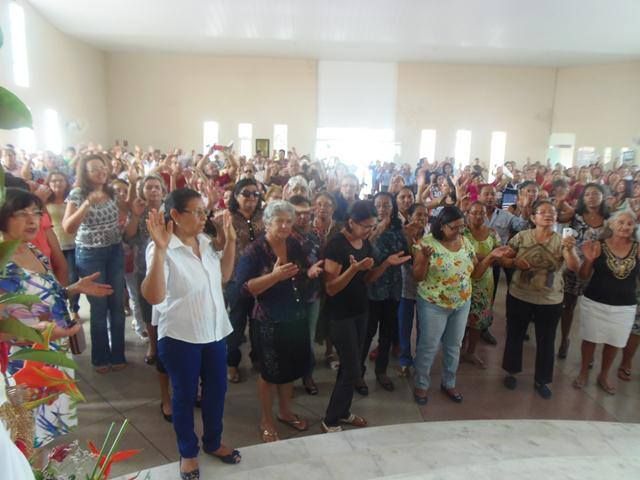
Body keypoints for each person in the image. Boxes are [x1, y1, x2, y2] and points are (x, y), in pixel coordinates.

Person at [0, 188, 112, 447]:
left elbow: (41, 297)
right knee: (24, 439)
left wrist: (73, 289)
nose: (32, 220)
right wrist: (38, 334)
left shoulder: (32, 250)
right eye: (21, 214)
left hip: (52, 354)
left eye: (36, 213)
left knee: (46, 435)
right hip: (22, 364)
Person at [142, 188, 241, 479]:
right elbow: (154, 296)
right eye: (197, 212)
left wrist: (231, 241)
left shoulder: (205, 242)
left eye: (204, 212)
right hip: (180, 337)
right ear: (175, 215)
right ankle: (187, 452)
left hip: (214, 331)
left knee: (217, 392)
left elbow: (223, 277)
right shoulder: (162, 247)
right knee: (184, 397)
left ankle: (213, 442)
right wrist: (160, 251)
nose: (203, 218)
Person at [234, 200, 323, 442]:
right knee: (269, 373)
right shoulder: (254, 250)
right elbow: (243, 289)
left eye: (288, 221)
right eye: (279, 221)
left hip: (295, 315)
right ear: (267, 222)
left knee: (290, 369)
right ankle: (266, 418)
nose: (285, 226)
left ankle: (285, 412)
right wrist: (273, 277)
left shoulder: (294, 243)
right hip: (268, 319)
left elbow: (299, 272)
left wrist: (310, 272)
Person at [321, 200, 409, 432]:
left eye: (372, 226)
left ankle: (344, 411)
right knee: (351, 368)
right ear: (351, 222)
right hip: (340, 314)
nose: (370, 231)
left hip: (360, 310)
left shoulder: (364, 243)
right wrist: (353, 269)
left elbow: (368, 279)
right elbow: (330, 288)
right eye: (365, 226)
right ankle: (330, 419)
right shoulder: (336, 246)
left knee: (352, 367)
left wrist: (386, 264)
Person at [412, 206, 508, 405]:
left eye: (461, 227)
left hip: (461, 303)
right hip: (434, 304)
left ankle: (449, 382)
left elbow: (476, 273)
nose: (459, 231)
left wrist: (491, 257)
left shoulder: (464, 242)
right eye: (454, 227)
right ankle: (421, 385)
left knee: (454, 346)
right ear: (441, 225)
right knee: (428, 347)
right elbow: (418, 277)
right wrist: (423, 260)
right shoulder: (426, 244)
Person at [501, 200, 581, 399]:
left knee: (546, 340)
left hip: (550, 299)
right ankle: (511, 372)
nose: (548, 215)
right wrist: (513, 262)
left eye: (552, 213)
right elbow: (503, 259)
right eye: (543, 212)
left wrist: (570, 250)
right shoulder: (522, 237)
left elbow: (574, 266)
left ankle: (542, 380)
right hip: (520, 294)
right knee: (515, 335)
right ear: (533, 217)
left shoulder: (562, 241)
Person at [62, 154, 127, 373]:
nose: (101, 172)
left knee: (117, 304)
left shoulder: (110, 190)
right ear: (85, 173)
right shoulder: (78, 194)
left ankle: (118, 354)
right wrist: (87, 204)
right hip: (90, 255)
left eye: (102, 167)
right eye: (94, 169)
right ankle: (100, 357)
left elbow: (122, 213)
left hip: (115, 251)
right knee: (98, 307)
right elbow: (68, 227)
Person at [573, 211, 639, 394]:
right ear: (611, 224)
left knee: (614, 342)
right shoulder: (598, 245)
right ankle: (583, 372)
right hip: (595, 300)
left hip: (625, 305)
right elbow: (583, 275)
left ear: (634, 227)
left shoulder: (638, 248)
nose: (625, 227)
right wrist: (588, 259)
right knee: (590, 338)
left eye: (629, 224)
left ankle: (603, 375)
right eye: (621, 222)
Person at [359, 192, 409, 393]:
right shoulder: (366, 228)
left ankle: (381, 371)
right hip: (372, 288)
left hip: (394, 288)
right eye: (378, 205)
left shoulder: (398, 228)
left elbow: (405, 252)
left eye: (386, 205)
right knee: (367, 333)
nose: (382, 209)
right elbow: (363, 253)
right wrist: (376, 231)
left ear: (392, 207)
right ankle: (357, 374)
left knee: (387, 333)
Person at [221, 178, 264, 383]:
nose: (251, 198)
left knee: (259, 322)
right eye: (246, 193)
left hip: (262, 278)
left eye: (255, 194)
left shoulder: (264, 217)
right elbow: (217, 244)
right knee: (236, 323)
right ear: (236, 196)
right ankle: (231, 363)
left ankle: (258, 357)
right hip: (236, 279)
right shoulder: (227, 218)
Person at [558, 183, 609, 359]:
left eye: (596, 193)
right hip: (575, 263)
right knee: (568, 305)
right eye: (587, 194)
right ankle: (564, 339)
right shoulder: (576, 215)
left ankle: (591, 348)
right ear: (583, 198)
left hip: (598, 268)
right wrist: (560, 200)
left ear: (603, 196)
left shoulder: (609, 219)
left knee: (594, 308)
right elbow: (557, 217)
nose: (591, 197)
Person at [462, 202, 501, 368]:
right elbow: (464, 253)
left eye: (482, 213)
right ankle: (457, 349)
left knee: (478, 319)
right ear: (468, 214)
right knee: (461, 318)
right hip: (463, 280)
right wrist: (489, 256)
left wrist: (491, 257)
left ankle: (471, 352)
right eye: (474, 212)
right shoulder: (461, 232)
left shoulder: (492, 233)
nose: (478, 216)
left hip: (485, 282)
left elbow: (500, 253)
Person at [44, 170, 80, 322]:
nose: (57, 184)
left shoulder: (72, 200)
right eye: (53, 181)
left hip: (73, 244)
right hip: (55, 246)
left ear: (66, 183)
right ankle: (61, 307)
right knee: (57, 278)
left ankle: (74, 308)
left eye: (60, 180)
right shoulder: (45, 202)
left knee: (73, 278)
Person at [397, 203, 429, 376]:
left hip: (426, 288)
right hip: (405, 286)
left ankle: (421, 358)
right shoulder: (402, 233)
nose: (422, 219)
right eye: (418, 215)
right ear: (409, 217)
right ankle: (404, 358)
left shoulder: (432, 235)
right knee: (404, 325)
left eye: (425, 215)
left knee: (423, 325)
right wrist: (409, 238)